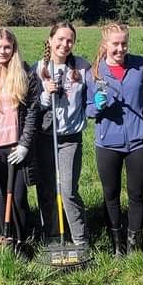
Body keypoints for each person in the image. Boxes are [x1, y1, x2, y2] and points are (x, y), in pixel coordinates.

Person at [86, 22, 143, 257]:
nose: (120, 48)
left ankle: (134, 245)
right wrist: (97, 107)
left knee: (136, 195)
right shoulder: (93, 72)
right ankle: (117, 245)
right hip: (107, 143)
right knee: (110, 195)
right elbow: (86, 108)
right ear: (105, 44)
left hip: (138, 141)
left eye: (124, 43)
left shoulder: (140, 65)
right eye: (115, 44)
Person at [0, 28, 40, 248]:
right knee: (0, 196)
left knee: (19, 197)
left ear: (14, 48)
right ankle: (4, 239)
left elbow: (32, 112)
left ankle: (22, 239)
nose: (2, 51)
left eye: (7, 47)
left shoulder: (25, 73)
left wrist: (24, 145)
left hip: (16, 147)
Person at [34, 21, 92, 247]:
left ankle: (80, 239)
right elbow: (33, 106)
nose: (64, 44)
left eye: (69, 40)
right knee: (47, 189)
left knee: (67, 190)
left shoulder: (82, 67)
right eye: (60, 39)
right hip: (46, 136)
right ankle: (51, 236)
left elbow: (94, 93)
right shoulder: (38, 68)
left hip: (70, 138)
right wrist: (46, 95)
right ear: (50, 40)